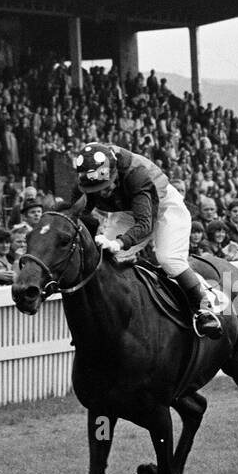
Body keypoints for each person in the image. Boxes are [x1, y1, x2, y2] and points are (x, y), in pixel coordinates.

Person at [71, 141, 221, 338]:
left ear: (116, 173)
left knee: (168, 259)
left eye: (105, 187)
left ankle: (204, 307)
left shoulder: (137, 174)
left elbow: (145, 224)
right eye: (95, 190)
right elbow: (77, 217)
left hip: (163, 206)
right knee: (103, 259)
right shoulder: (87, 177)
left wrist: (118, 243)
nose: (100, 194)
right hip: (125, 210)